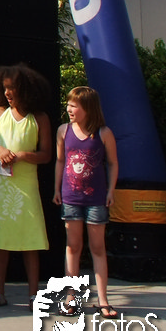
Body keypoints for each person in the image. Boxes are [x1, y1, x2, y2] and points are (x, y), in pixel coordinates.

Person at [0, 64, 53, 308]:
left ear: (25, 89)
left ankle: (34, 295)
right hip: (2, 186)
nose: (7, 93)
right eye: (4, 88)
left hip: (26, 186)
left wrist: (24, 155)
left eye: (12, 88)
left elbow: (46, 155)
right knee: (0, 240)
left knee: (30, 239)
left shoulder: (39, 118)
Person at [54, 86, 119, 319]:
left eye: (74, 106)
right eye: (68, 105)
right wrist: (56, 189)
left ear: (88, 108)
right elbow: (60, 161)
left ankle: (103, 300)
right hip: (71, 198)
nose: (69, 109)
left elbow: (112, 162)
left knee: (98, 248)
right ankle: (71, 298)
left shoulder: (103, 133)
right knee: (73, 246)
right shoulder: (63, 131)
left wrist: (111, 191)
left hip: (96, 199)